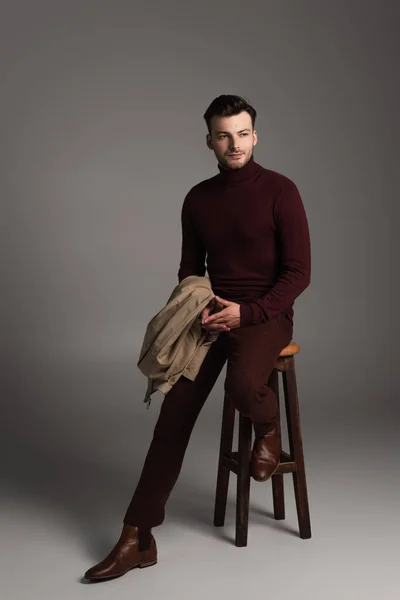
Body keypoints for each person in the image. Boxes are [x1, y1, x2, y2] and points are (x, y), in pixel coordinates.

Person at [84, 94, 311, 581]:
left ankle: (269, 428)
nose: (235, 144)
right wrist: (205, 306)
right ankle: (136, 538)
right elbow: (191, 268)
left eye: (243, 133)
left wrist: (246, 311)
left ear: (256, 135)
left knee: (243, 385)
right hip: (210, 316)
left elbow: (298, 274)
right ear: (209, 140)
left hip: (266, 314)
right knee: (171, 420)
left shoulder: (281, 191)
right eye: (224, 135)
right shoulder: (198, 198)